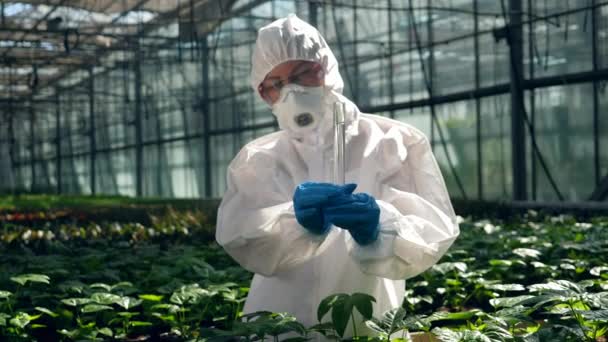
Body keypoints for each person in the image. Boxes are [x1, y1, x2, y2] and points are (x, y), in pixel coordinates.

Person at [216, 13, 460, 337]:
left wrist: (381, 225)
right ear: (264, 94)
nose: (291, 91)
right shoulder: (259, 158)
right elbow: (240, 234)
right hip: (281, 323)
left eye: (303, 72)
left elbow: (433, 231)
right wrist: (292, 221)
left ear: (326, 68)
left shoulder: (395, 142)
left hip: (368, 319)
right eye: (275, 85)